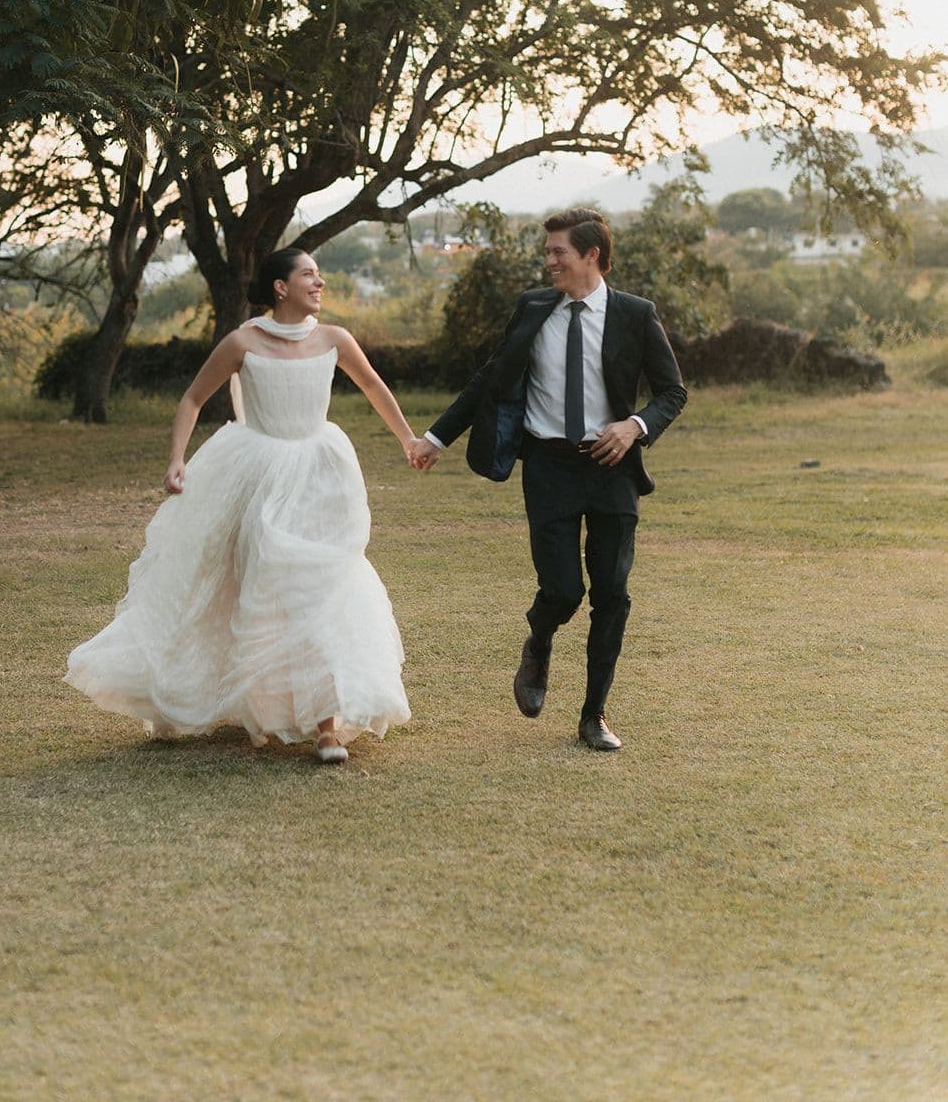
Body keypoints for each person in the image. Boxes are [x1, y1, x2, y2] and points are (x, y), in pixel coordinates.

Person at [65, 248, 415, 765]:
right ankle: (252, 699)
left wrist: (408, 440)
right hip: (259, 474)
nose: (319, 282)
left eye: (319, 274)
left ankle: (326, 728)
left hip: (321, 473)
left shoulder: (334, 339)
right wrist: (177, 460)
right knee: (258, 587)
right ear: (280, 287)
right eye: (309, 274)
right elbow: (192, 399)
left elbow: (372, 386)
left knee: (322, 586)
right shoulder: (242, 342)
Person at [409, 208, 686, 751]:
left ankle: (593, 715)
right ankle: (539, 639)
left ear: (592, 255)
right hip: (548, 466)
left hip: (612, 467)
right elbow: (490, 378)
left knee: (612, 593)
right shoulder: (533, 308)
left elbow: (672, 392)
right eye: (548, 251)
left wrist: (633, 426)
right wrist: (436, 438)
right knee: (562, 591)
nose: (549, 261)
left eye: (559, 251)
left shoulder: (635, 314)